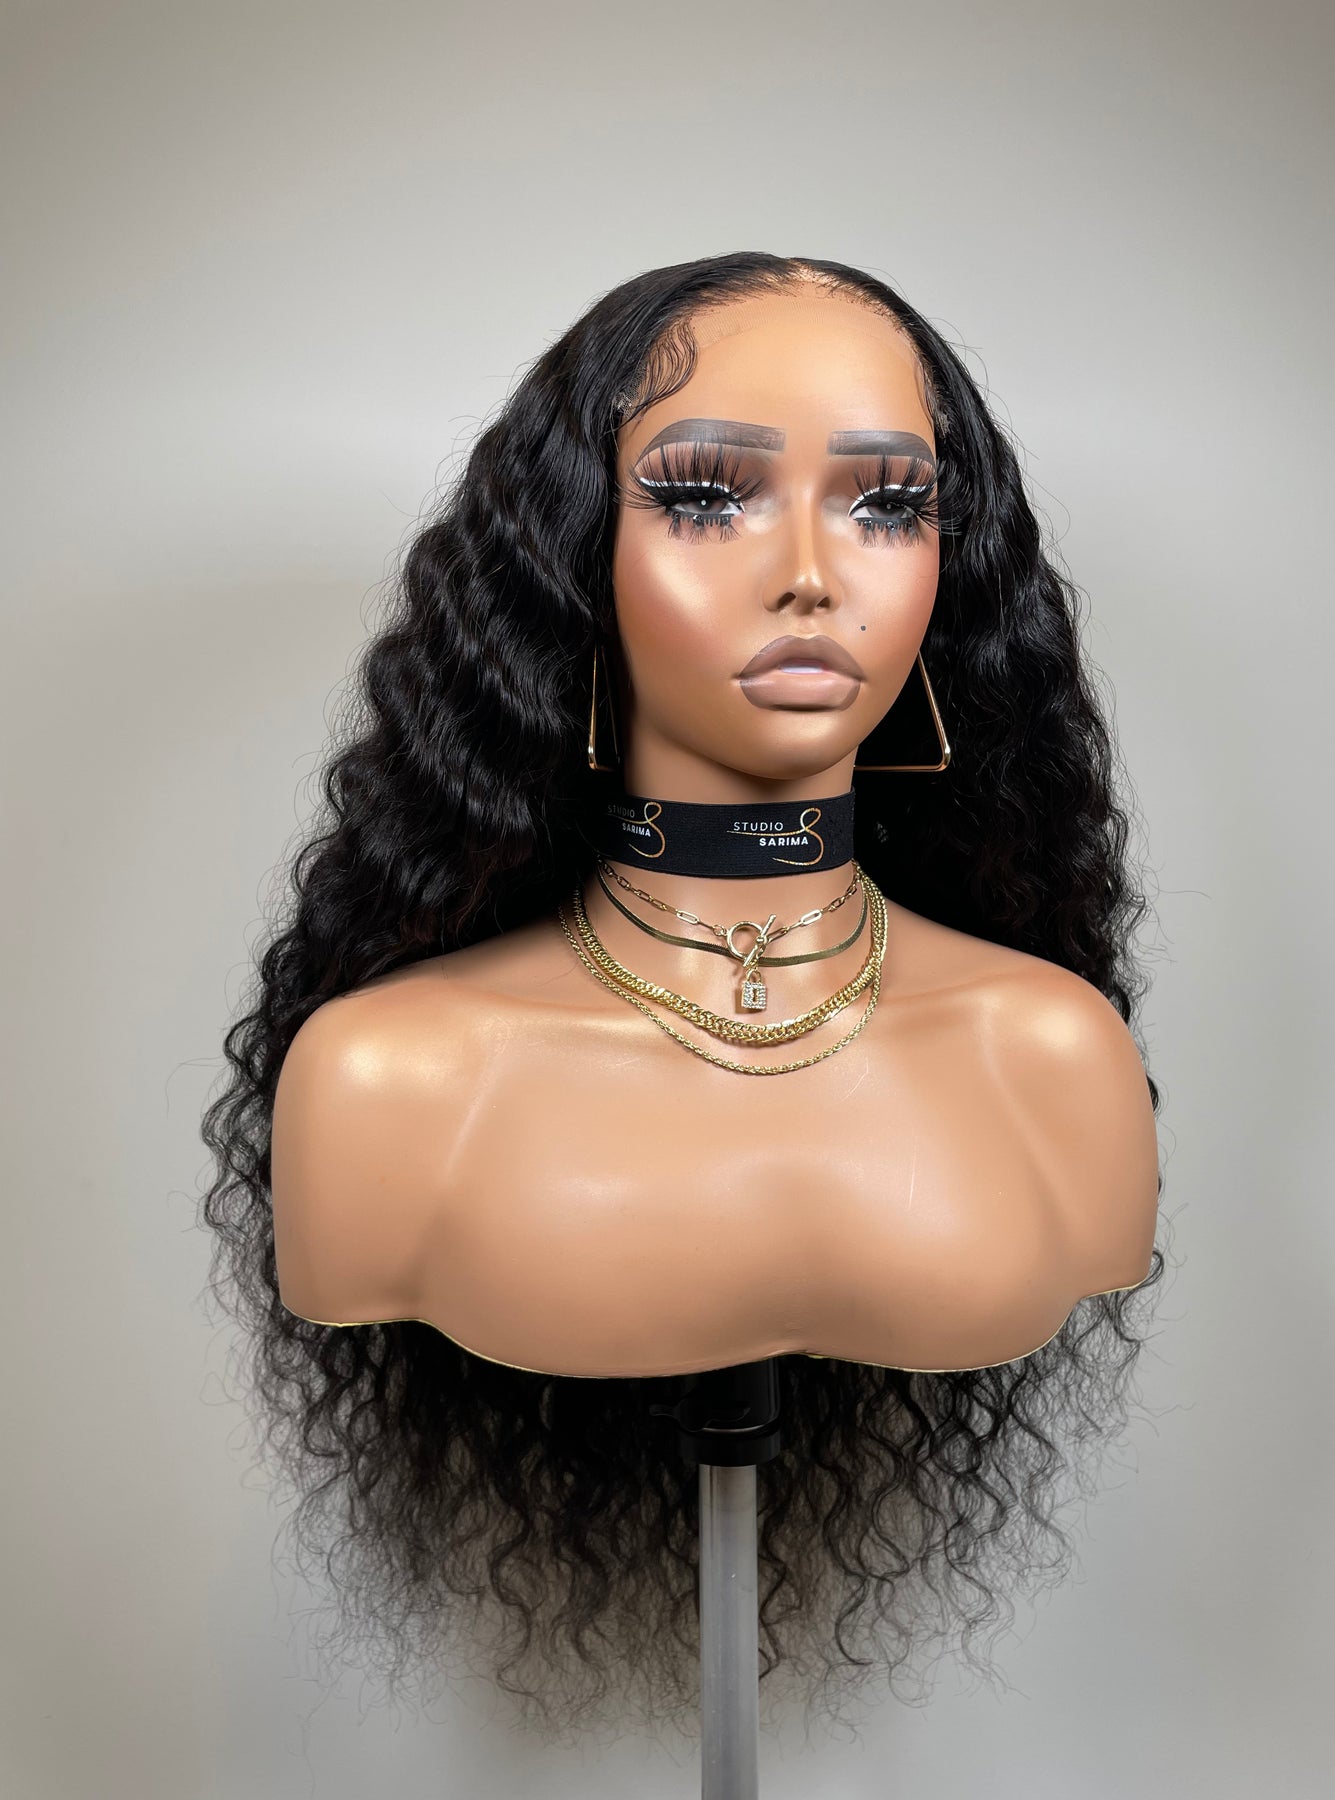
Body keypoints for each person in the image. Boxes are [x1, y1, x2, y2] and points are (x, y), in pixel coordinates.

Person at [200, 252, 1166, 1739]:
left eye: (886, 504)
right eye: (708, 495)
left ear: (950, 562)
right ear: (576, 557)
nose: (811, 571)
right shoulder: (390, 1079)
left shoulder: (1051, 1055)